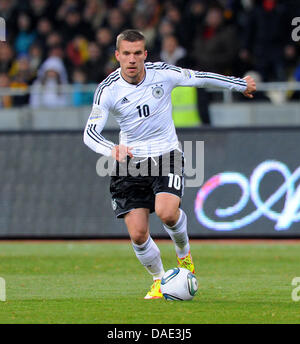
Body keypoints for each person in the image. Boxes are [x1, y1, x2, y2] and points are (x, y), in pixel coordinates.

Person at [83, 29, 256, 299]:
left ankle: (184, 254)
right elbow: (89, 133)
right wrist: (111, 149)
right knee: (139, 234)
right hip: (130, 163)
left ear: (145, 54)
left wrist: (239, 85)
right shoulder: (107, 90)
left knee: (166, 212)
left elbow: (200, 78)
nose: (132, 60)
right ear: (117, 55)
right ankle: (159, 279)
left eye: (137, 53)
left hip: (166, 155)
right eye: (126, 54)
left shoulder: (162, 74)